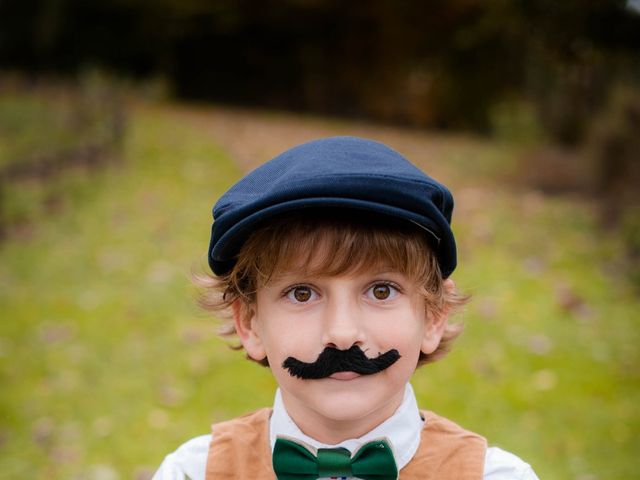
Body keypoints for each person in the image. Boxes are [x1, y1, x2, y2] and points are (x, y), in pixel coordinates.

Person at [153, 136, 539, 479]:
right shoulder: (192, 472)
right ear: (250, 324)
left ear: (433, 315)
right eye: (302, 294)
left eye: (382, 291)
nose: (341, 334)